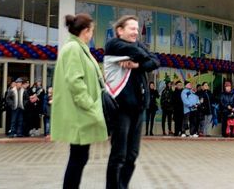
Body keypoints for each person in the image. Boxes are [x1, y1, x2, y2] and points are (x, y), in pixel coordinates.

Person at [51, 13, 108, 189]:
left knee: (79, 157)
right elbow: (75, 82)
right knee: (78, 157)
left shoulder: (78, 48)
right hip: (80, 113)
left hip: (81, 112)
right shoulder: (73, 49)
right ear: (86, 31)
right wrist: (90, 106)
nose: (92, 34)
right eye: (92, 30)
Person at [104, 15, 160, 189]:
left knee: (132, 155)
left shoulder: (136, 45)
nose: (136, 32)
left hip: (138, 109)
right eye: (132, 28)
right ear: (120, 30)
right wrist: (143, 57)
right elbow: (142, 54)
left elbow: (155, 62)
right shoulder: (114, 45)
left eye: (137, 28)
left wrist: (137, 65)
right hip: (121, 109)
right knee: (119, 155)